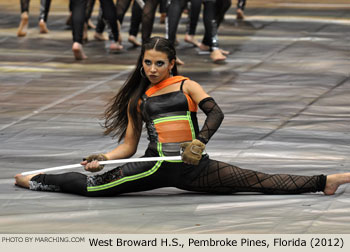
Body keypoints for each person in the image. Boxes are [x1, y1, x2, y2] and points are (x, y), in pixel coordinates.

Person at [14, 37, 350, 196]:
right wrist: (104, 157)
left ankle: (326, 181)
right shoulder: (138, 98)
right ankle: (38, 179)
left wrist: (199, 142)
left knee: (256, 180)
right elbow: (128, 147)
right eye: (147, 63)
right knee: (94, 186)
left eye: (160, 63)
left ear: (172, 63)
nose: (153, 69)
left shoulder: (187, 85)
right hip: (154, 166)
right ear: (141, 63)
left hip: (194, 167)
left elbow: (215, 113)